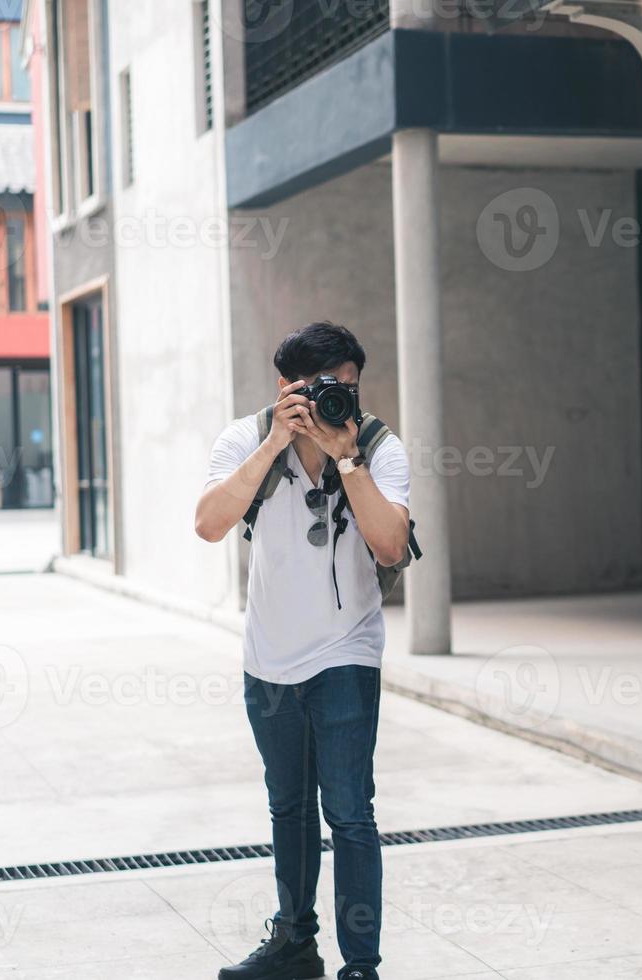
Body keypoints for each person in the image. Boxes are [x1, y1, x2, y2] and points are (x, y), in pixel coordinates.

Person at [196, 321, 412, 980]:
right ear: (285, 387)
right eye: (318, 389)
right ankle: (294, 943)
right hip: (268, 658)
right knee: (287, 807)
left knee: (349, 811)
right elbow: (208, 524)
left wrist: (347, 459)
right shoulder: (244, 437)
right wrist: (275, 443)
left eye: (344, 387)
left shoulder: (378, 447)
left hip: (346, 653)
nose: (333, 400)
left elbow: (391, 547)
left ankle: (361, 967)